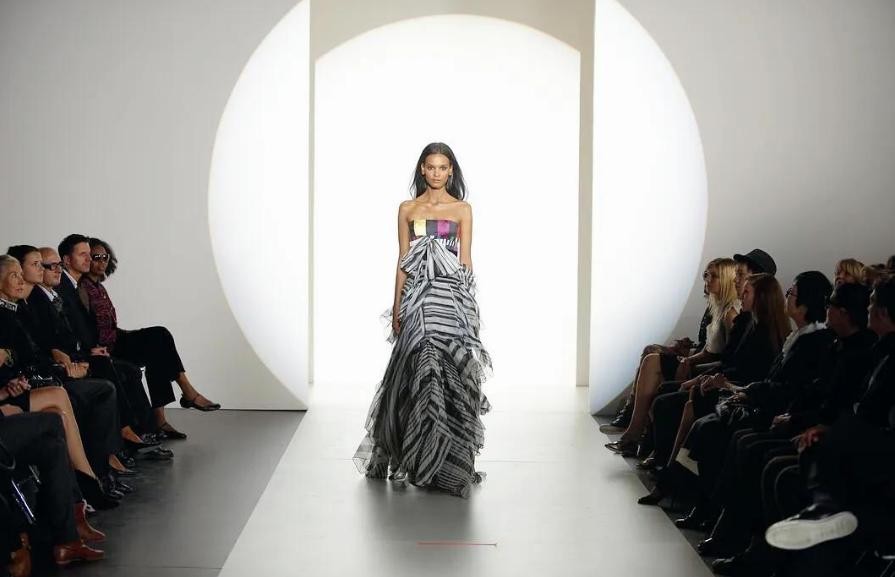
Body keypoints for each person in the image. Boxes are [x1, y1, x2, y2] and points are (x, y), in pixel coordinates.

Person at [353, 142, 491, 498]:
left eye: (443, 167)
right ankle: (419, 453)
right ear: (422, 169)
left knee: (449, 372)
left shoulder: (462, 210)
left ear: (451, 171)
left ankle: (446, 460)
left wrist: (470, 309)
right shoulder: (407, 208)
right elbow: (403, 260)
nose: (436, 173)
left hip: (450, 296)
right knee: (418, 367)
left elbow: (465, 261)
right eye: (431, 167)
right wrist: (397, 305)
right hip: (418, 298)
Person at [78, 237, 219, 440]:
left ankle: (164, 414)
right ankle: (185, 396)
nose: (102, 261)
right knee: (157, 343)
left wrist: (127, 333)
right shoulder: (82, 288)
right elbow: (86, 328)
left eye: (105, 257)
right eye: (96, 257)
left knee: (159, 337)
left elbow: (108, 326)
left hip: (116, 340)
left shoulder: (99, 287)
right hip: (105, 349)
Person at [605, 258, 740, 456]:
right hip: (704, 364)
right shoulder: (717, 307)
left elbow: (725, 356)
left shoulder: (730, 314)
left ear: (727, 279)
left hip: (710, 371)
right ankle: (636, 432)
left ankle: (634, 431)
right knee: (652, 358)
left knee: (653, 361)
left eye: (714, 276)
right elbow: (710, 349)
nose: (708, 279)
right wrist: (688, 358)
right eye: (706, 275)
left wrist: (689, 362)